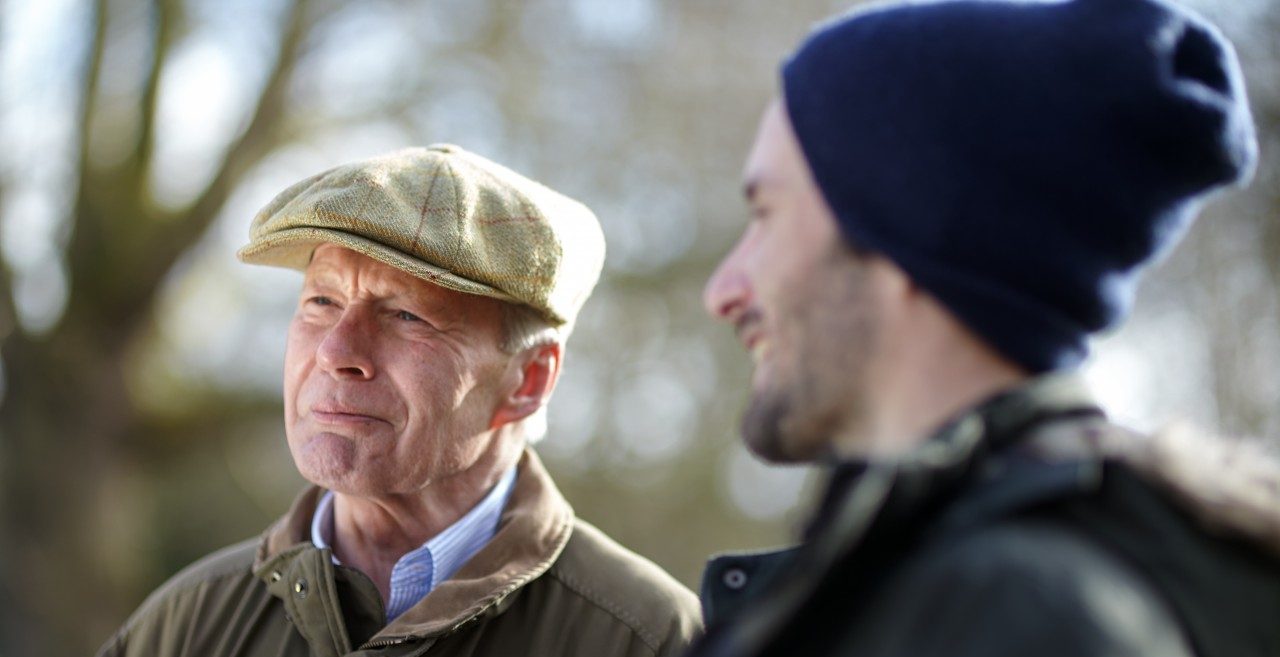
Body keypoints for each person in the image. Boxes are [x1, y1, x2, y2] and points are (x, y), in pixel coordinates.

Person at [694, 0, 1280, 655]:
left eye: (766, 214)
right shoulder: (943, 578)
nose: (723, 289)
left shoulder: (1014, 615)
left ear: (907, 228)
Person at [97, 145, 702, 657]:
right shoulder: (184, 625)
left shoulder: (652, 639)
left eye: (407, 315)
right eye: (321, 302)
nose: (337, 351)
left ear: (529, 381)